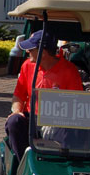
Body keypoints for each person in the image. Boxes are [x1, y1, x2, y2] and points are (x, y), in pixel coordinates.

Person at [5, 29, 83, 159]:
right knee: (14, 121)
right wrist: (17, 110)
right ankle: (22, 165)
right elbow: (19, 94)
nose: (27, 51)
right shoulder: (27, 66)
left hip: (57, 121)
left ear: (44, 52)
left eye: (31, 49)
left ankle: (62, 167)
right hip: (32, 118)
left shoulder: (69, 71)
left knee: (71, 132)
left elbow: (76, 104)